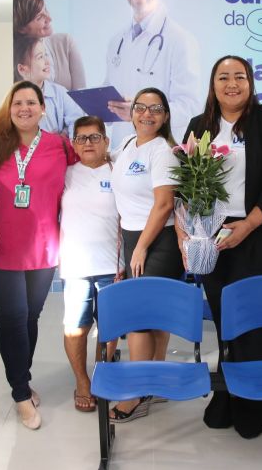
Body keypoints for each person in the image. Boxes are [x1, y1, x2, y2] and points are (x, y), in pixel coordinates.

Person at [179, 55, 262, 439]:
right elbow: (186, 183)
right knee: (223, 316)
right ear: (213, 85)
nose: (232, 83)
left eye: (239, 77)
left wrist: (248, 225)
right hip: (211, 236)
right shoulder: (200, 126)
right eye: (223, 77)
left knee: (249, 320)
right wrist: (189, 234)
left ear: (250, 83)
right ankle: (226, 394)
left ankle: (252, 401)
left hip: (255, 234)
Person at [0, 81, 76, 431]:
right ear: (8, 108)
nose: (24, 108)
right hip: (1, 250)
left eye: (32, 102)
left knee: (31, 317)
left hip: (44, 249)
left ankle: (22, 379)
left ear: (44, 108)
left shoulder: (59, 145)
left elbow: (90, 166)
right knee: (12, 320)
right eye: (18, 103)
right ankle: (20, 394)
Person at [108, 87, 183, 422]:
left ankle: (135, 393)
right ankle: (155, 380)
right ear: (132, 111)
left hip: (159, 240)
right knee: (153, 316)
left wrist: (140, 246)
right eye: (141, 107)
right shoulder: (127, 145)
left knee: (139, 316)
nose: (147, 114)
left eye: (156, 109)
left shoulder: (162, 151)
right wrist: (128, 242)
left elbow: (164, 204)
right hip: (134, 236)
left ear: (165, 116)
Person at [104, 0, 201, 146]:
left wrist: (142, 111)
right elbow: (111, 95)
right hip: (122, 150)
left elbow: (190, 106)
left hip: (161, 149)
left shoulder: (180, 39)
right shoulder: (117, 41)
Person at [59, 116, 120, 413]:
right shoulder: (66, 174)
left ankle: (101, 373)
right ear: (73, 144)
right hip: (76, 266)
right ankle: (82, 381)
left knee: (109, 328)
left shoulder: (118, 171)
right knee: (76, 327)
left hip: (112, 265)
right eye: (81, 138)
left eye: (94, 137)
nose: (88, 143)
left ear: (106, 142)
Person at [14, 0, 86, 90]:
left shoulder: (66, 43)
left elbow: (81, 93)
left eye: (46, 10)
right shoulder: (14, 59)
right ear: (22, 29)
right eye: (39, 17)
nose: (49, 18)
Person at [14, 35, 86, 135]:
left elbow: (77, 121)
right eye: (40, 57)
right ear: (22, 69)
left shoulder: (60, 93)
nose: (47, 62)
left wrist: (64, 135)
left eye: (46, 55)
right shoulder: (12, 99)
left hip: (58, 148)